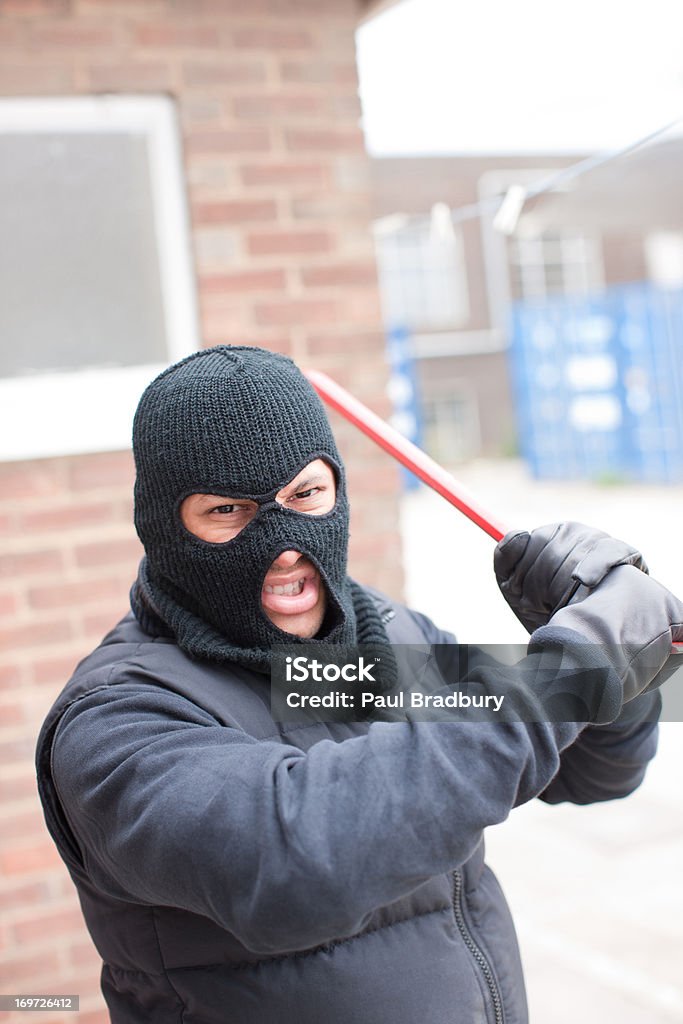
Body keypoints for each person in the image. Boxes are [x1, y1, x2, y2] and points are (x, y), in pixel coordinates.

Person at [36, 345, 683, 1024]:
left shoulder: (381, 641)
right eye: (228, 511)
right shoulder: (117, 720)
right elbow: (297, 862)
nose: (285, 545)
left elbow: (592, 772)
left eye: (305, 495)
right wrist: (571, 668)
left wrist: (620, 668)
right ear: (164, 527)